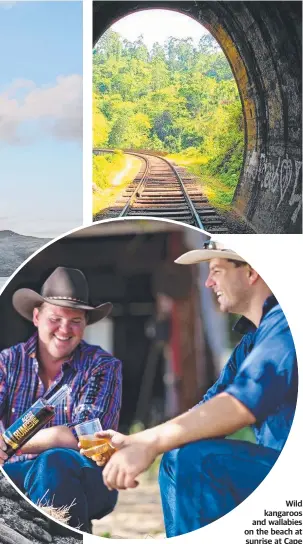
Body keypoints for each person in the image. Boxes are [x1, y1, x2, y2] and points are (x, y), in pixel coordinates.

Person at [82, 240, 297, 537]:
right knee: (177, 457)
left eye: (217, 271)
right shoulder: (251, 343)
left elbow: (240, 405)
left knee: (198, 461)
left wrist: (152, 442)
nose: (208, 283)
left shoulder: (286, 325)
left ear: (251, 272)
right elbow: (209, 410)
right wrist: (136, 440)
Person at [0, 266, 122, 533]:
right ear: (36, 316)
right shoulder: (7, 362)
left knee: (55, 461)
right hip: (16, 475)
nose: (65, 330)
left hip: (87, 475)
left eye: (75, 321)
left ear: (86, 324)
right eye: (55, 318)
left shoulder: (103, 366)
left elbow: (86, 436)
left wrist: (10, 444)